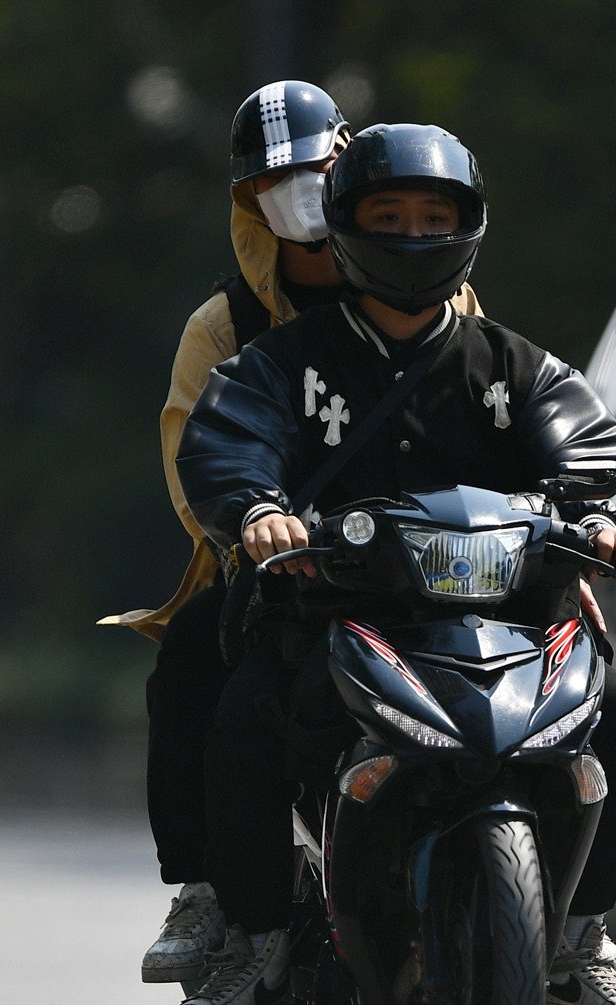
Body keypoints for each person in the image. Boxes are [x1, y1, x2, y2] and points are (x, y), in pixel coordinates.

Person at [175, 123, 616, 1005]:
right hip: (334, 622)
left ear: (469, 225)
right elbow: (228, 447)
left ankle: (584, 934)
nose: (410, 233)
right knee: (245, 718)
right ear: (345, 225)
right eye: (386, 213)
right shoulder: (276, 363)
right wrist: (261, 511)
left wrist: (606, 524)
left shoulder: (520, 364)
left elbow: (592, 455)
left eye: (433, 213)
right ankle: (255, 939)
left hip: (511, 626)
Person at [96, 79, 488, 986]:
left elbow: (496, 427)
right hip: (292, 570)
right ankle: (221, 900)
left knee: (596, 693)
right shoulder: (225, 327)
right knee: (205, 674)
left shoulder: (431, 297)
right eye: (277, 180)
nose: (301, 194)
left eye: (318, 171)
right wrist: (262, 528)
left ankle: (572, 920)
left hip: (431, 564)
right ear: (249, 201)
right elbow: (197, 460)